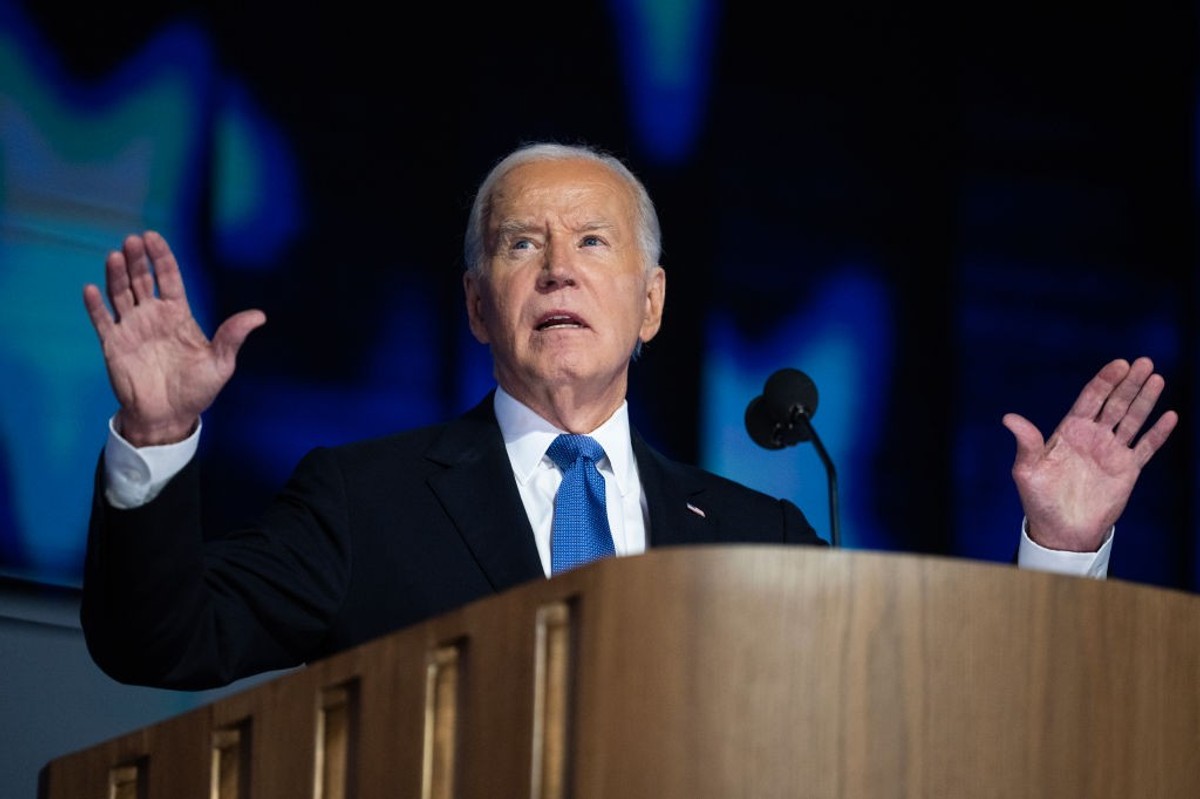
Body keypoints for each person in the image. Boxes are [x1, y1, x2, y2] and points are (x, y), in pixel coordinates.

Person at [79, 141, 1178, 690]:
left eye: (594, 244)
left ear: (650, 303)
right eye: (522, 244)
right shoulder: (361, 502)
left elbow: (926, 734)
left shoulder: (763, 538)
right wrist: (158, 442)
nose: (559, 268)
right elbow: (157, 639)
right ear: (476, 303)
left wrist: (1062, 552)